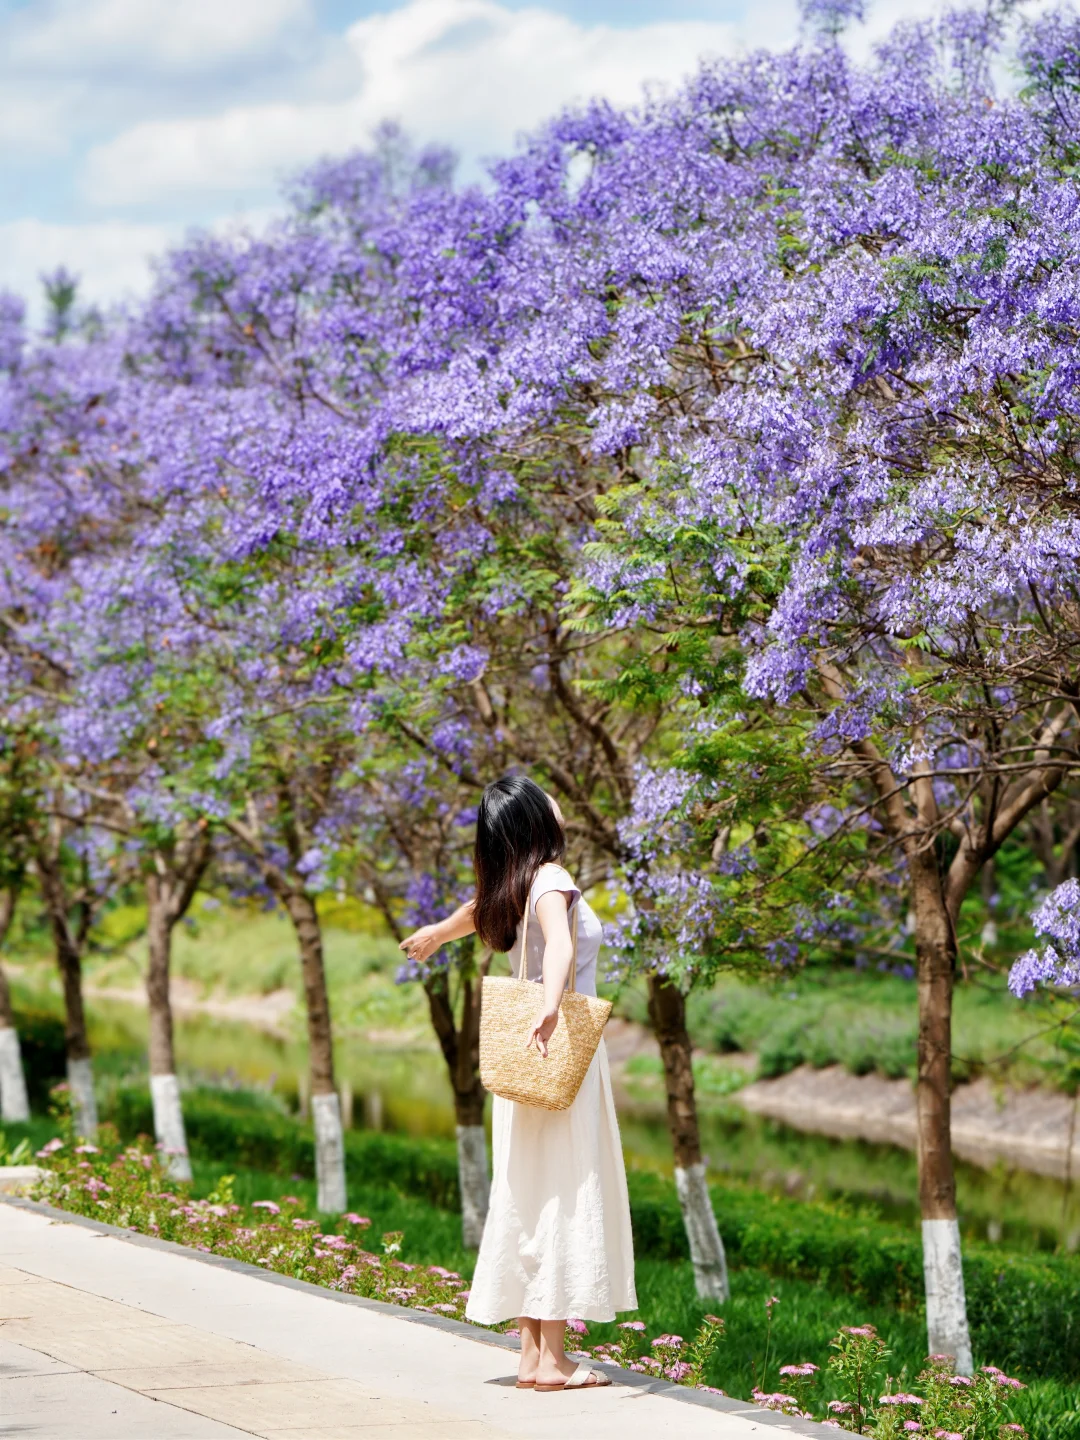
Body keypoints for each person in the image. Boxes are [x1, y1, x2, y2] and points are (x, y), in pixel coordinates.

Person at [399, 774, 637, 1392]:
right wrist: (553, 1005)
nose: (558, 800)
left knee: (528, 1194)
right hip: (559, 1056)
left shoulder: (513, 886)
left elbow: (473, 912)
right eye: (546, 797)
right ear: (536, 821)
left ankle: (532, 1356)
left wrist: (435, 933)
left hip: (520, 1065)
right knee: (563, 1191)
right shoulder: (552, 879)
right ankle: (555, 1362)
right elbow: (559, 947)